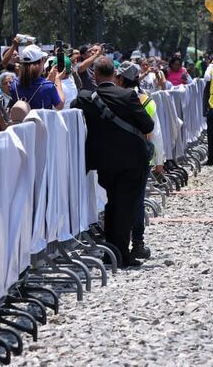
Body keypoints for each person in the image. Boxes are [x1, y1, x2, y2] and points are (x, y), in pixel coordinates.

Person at [71, 56, 155, 268]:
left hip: (105, 162)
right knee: (124, 206)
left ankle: (111, 252)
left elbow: (73, 106)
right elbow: (147, 125)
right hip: (131, 160)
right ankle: (121, 254)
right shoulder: (128, 95)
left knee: (112, 203)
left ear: (95, 75)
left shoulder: (86, 98)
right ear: (114, 75)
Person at [116, 61, 165, 261]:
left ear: (120, 79)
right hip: (140, 156)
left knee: (117, 199)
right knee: (137, 201)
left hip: (117, 155)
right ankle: (137, 242)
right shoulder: (146, 100)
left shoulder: (113, 98)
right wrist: (159, 161)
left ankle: (117, 242)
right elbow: (156, 133)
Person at [12, 44, 66, 110]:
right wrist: (58, 79)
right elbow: (60, 106)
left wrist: (48, 79)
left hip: (22, 120)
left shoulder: (14, 83)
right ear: (41, 61)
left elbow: (35, 86)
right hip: (41, 120)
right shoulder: (48, 86)